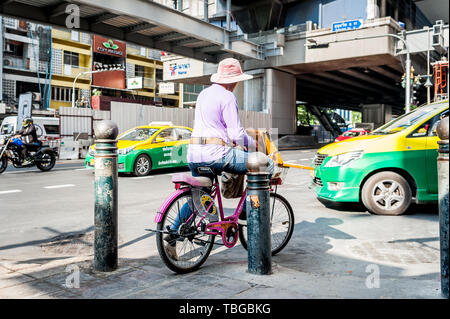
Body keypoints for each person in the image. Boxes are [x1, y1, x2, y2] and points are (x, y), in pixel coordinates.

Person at [164, 58, 274, 260]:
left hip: (194, 154)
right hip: (216, 154)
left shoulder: (203, 94)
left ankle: (172, 235)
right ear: (234, 80)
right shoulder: (228, 97)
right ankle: (246, 214)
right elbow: (236, 134)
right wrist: (257, 147)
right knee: (265, 165)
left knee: (200, 195)